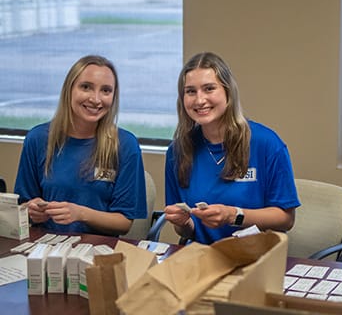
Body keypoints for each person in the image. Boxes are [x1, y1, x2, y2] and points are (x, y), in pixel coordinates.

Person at [163, 52, 300, 244]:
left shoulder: (266, 144)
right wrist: (183, 223)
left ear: (228, 92)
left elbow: (286, 219)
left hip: (254, 258)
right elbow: (187, 231)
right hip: (201, 258)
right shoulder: (177, 151)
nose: (199, 100)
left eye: (209, 89)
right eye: (191, 91)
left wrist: (234, 215)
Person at [15, 55, 147, 236]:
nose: (96, 99)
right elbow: (22, 207)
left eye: (106, 91)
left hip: (99, 252)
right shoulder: (37, 139)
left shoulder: (125, 145)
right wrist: (31, 211)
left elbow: (124, 223)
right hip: (45, 249)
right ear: (69, 89)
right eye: (86, 87)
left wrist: (80, 214)